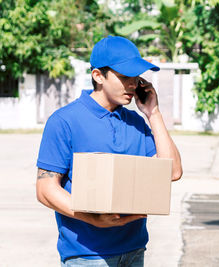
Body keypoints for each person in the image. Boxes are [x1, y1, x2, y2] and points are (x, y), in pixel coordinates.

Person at [36, 35, 183, 266]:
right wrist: (93, 219)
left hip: (134, 251)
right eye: (125, 77)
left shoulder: (136, 122)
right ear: (98, 76)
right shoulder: (65, 121)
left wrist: (153, 113)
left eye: (135, 77)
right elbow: (45, 189)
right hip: (87, 256)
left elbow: (172, 172)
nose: (133, 84)